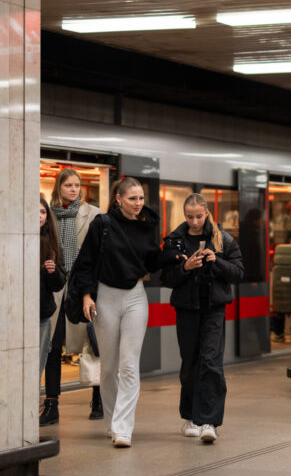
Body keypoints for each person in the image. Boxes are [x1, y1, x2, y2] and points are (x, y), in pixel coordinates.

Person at [73, 177, 176, 447]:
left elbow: (151, 261)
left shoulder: (146, 226)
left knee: (129, 365)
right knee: (109, 367)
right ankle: (111, 421)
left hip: (135, 297)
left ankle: (123, 428)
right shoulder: (102, 224)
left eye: (141, 198)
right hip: (105, 297)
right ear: (118, 199)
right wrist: (86, 295)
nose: (138, 203)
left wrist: (171, 254)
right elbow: (86, 261)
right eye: (132, 198)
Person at [161, 193, 244, 444]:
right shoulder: (175, 241)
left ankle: (209, 421)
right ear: (184, 215)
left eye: (198, 216)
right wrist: (185, 268)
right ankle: (191, 417)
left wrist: (216, 261)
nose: (195, 221)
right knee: (190, 364)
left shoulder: (223, 239)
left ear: (207, 213)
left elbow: (238, 273)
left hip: (214, 309)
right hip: (186, 310)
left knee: (211, 362)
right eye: (189, 217)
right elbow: (164, 278)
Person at [42, 168, 103, 426]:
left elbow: (100, 252)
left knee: (93, 342)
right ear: (59, 187)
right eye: (68, 185)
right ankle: (51, 404)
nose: (74, 189)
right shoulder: (47, 214)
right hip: (56, 284)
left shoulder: (94, 214)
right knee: (53, 346)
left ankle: (98, 397)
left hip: (84, 285)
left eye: (77, 185)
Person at [39, 196, 66, 378]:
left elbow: (58, 285)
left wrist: (53, 272)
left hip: (42, 316)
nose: (39, 216)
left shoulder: (53, 244)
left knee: (37, 368)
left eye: (43, 212)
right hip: (13, 317)